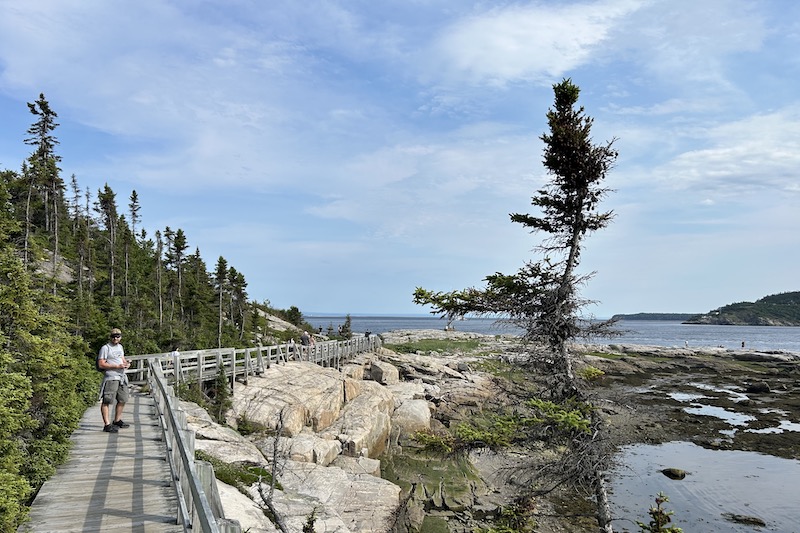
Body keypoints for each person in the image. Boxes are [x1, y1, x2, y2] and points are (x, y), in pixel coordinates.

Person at [97, 328, 131, 433]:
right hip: (111, 377)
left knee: (123, 399)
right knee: (107, 400)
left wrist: (126, 364)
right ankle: (107, 425)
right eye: (113, 336)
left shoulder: (120, 347)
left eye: (118, 336)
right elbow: (101, 364)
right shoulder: (105, 348)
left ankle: (117, 420)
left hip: (121, 377)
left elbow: (122, 358)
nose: (115, 338)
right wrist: (116, 366)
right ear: (110, 337)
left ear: (120, 337)